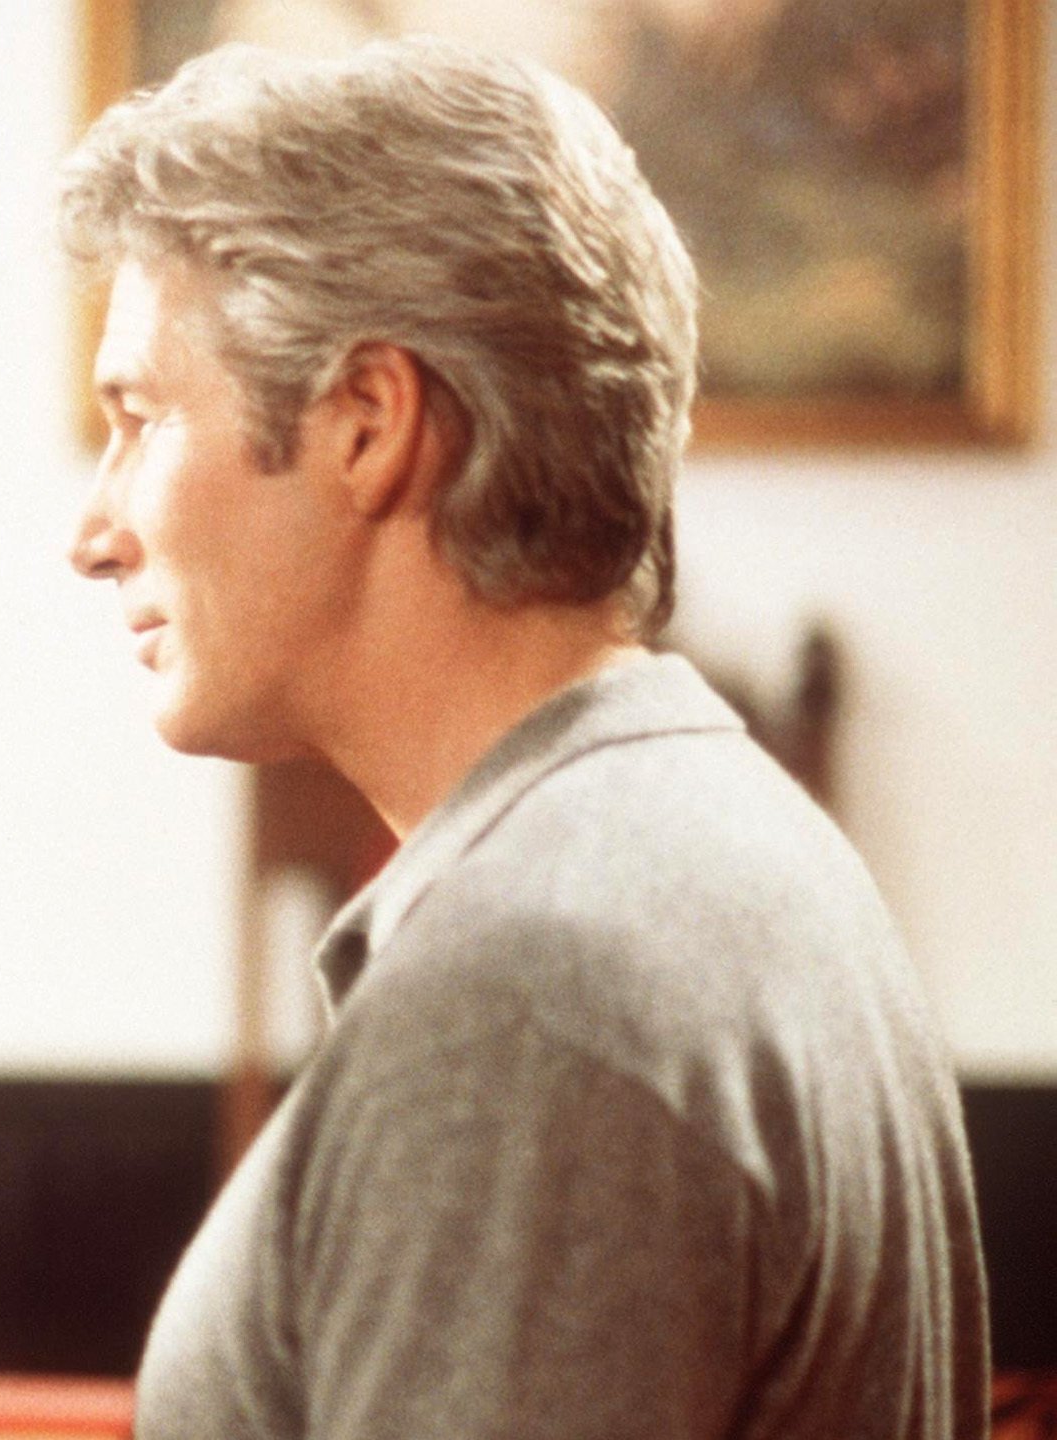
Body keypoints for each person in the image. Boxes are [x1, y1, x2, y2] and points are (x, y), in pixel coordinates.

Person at [60, 37, 987, 1439]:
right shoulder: (719, 844)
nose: (93, 532)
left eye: (139, 418)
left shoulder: (528, 996)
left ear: (369, 423)